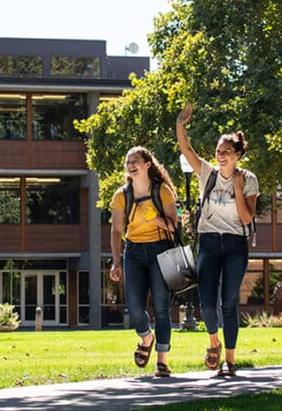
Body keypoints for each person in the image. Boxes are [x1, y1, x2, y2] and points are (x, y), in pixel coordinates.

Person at [177, 103, 260, 377]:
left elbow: (246, 218)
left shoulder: (248, 180)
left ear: (237, 154)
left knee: (229, 303)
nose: (220, 156)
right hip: (210, 243)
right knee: (207, 302)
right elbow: (187, 151)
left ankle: (230, 360)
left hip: (236, 245)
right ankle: (213, 342)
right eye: (217, 151)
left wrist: (237, 189)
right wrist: (180, 125)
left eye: (226, 152)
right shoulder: (207, 173)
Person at [109, 146, 179, 377]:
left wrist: (155, 218)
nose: (130, 165)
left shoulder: (163, 191)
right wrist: (116, 260)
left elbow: (173, 227)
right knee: (135, 305)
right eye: (128, 161)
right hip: (134, 252)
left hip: (161, 251)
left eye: (135, 161)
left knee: (161, 306)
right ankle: (146, 337)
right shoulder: (121, 196)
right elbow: (117, 229)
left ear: (148, 164)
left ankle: (162, 360)